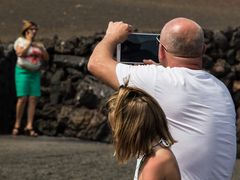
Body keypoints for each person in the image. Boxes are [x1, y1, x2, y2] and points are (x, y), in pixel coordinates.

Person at [88, 18, 237, 180]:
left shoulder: (158, 80)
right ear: (203, 50)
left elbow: (96, 63)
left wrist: (111, 37)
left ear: (161, 51)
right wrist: (160, 73)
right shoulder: (220, 88)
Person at [107, 85, 181, 180]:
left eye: (116, 131)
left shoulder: (155, 163)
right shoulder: (154, 154)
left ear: (130, 132)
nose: (116, 137)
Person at [12, 20, 49, 137]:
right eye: (32, 29)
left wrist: (42, 49)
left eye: (35, 30)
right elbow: (20, 53)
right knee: (22, 98)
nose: (34, 32)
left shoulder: (39, 44)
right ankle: (17, 125)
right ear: (26, 31)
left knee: (33, 98)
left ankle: (29, 126)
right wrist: (28, 42)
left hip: (35, 73)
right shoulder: (20, 41)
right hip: (22, 72)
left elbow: (46, 58)